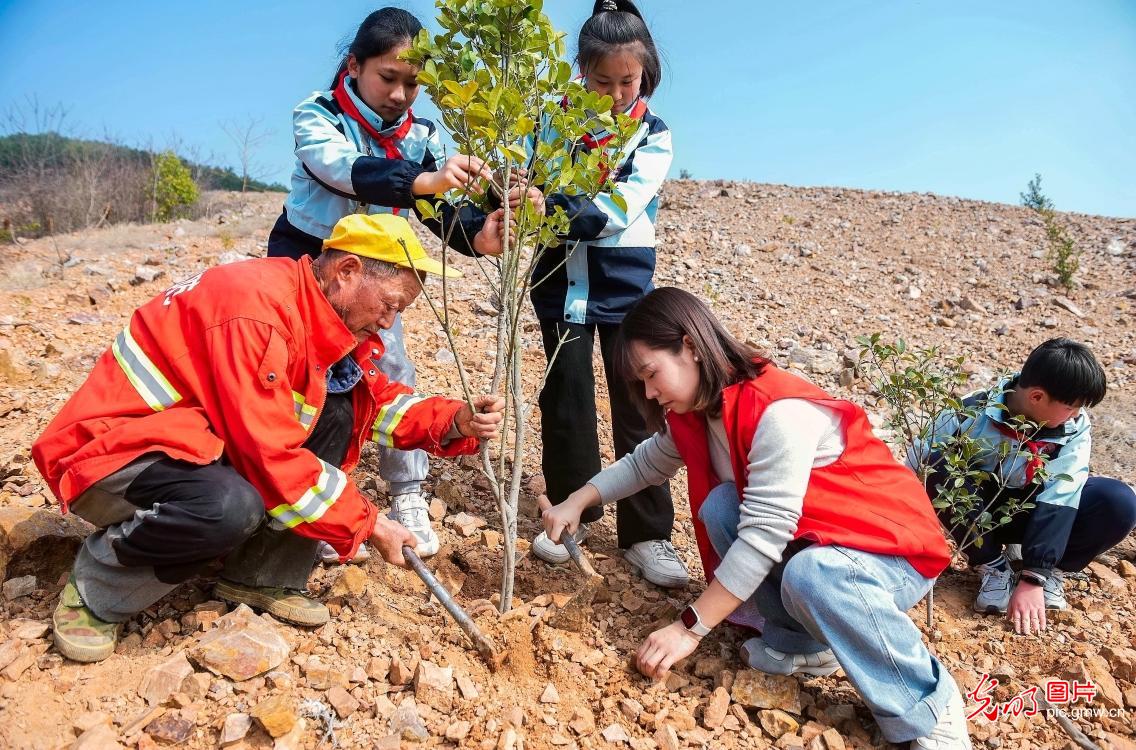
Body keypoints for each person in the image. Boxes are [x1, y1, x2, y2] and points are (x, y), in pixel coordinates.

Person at [32, 213, 504, 663]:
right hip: (109, 455)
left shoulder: (316, 314)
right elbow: (270, 457)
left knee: (338, 408)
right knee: (227, 508)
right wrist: (370, 523)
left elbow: (370, 404)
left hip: (188, 442)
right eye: (390, 306)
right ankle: (99, 588)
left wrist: (454, 420)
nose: (387, 323)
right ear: (348, 271)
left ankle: (259, 576)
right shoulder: (256, 312)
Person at [540, 288, 972, 749]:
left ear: (690, 346)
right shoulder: (699, 410)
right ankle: (802, 645)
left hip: (891, 554)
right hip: (828, 543)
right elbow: (646, 463)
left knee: (811, 572)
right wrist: (577, 501)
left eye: (651, 374)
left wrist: (689, 627)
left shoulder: (779, 412)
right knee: (724, 506)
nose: (648, 392)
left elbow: (764, 535)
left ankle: (930, 706)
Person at [450, 0, 684, 586]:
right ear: (579, 72)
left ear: (644, 72)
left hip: (625, 282)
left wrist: (548, 206)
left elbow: (618, 209)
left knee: (641, 405)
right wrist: (509, 185)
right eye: (600, 81)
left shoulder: (653, 135)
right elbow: (516, 173)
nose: (612, 94)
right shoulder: (548, 120)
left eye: (625, 81)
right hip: (559, 280)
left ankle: (648, 535)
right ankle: (569, 516)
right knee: (567, 402)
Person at [267, 7, 508, 561]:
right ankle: (311, 503)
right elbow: (344, 170)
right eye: (388, 77)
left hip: (377, 275)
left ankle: (408, 494)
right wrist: (421, 180)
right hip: (309, 261)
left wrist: (478, 237)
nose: (400, 94)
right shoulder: (318, 114)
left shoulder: (420, 135)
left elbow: (440, 209)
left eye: (412, 83)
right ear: (354, 65)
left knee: (388, 369)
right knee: (305, 377)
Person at [911, 338, 1136, 634]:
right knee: (935, 463)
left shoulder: (1073, 426)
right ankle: (993, 565)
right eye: (1071, 407)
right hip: (980, 520)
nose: (1078, 415)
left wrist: (1035, 576)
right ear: (1037, 396)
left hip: (1035, 513)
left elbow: (1061, 494)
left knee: (1118, 501)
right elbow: (914, 467)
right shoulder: (969, 412)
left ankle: (1050, 570)